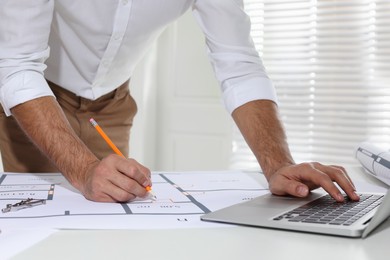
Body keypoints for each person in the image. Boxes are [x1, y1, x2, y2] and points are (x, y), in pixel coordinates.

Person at [0, 1, 359, 203]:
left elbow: (239, 65)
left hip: (113, 101)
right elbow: (17, 65)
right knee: (41, 218)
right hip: (37, 98)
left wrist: (278, 164)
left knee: (110, 214)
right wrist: (81, 169)